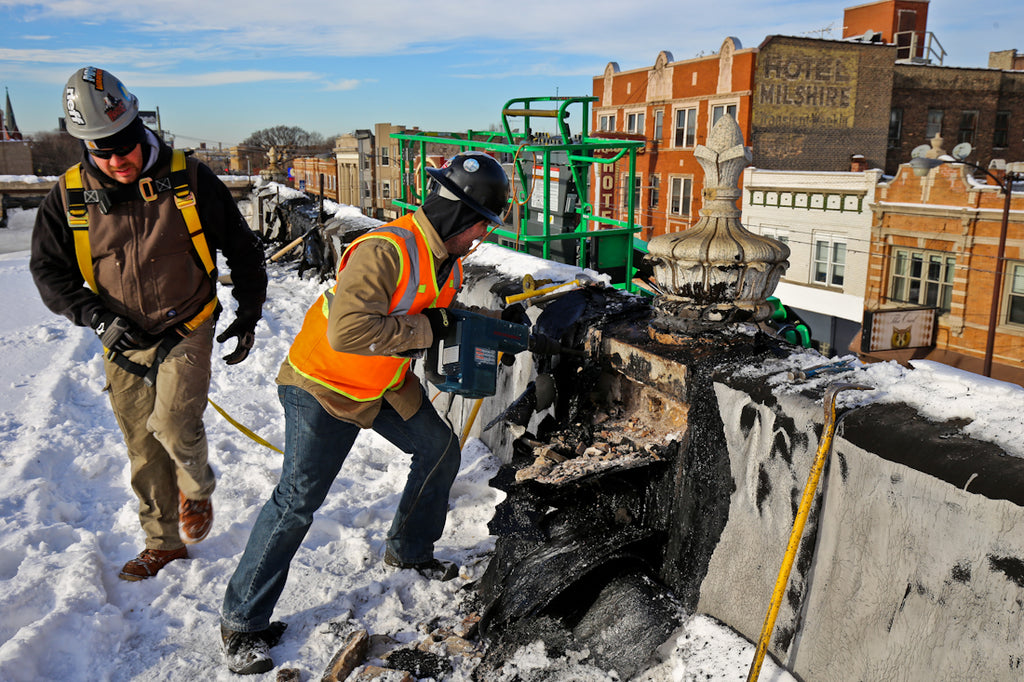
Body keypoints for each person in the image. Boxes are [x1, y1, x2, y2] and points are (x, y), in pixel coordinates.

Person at [219, 151, 509, 675]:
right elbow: (348, 332)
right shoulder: (385, 250)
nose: (480, 240)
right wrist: (432, 331)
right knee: (296, 501)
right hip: (323, 386)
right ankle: (242, 622)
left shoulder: (447, 257)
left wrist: (483, 329)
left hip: (381, 383)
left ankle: (410, 548)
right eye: (480, 228)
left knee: (439, 449)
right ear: (459, 216)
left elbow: (432, 313)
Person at [30, 67, 268, 582]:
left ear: (139, 126)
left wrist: (249, 310)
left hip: (188, 322)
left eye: (124, 146)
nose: (117, 161)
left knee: (174, 423)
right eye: (102, 152)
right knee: (141, 443)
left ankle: (197, 487)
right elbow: (48, 271)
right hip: (121, 335)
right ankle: (162, 542)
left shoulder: (189, 178)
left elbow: (243, 248)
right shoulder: (69, 195)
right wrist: (94, 316)